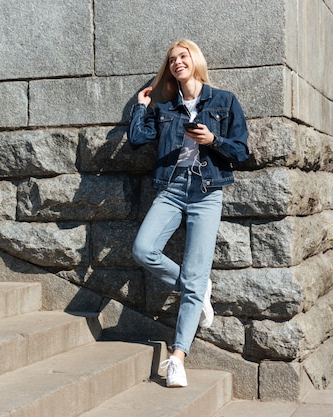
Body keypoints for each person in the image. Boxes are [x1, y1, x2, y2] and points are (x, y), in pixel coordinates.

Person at [128, 39, 249, 387]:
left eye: (183, 56)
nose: (178, 62)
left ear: (195, 61)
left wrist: (212, 140)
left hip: (207, 193)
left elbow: (241, 151)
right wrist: (141, 106)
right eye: (172, 59)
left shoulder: (224, 101)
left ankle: (177, 357)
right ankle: (197, 289)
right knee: (143, 249)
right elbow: (137, 140)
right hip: (172, 187)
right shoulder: (166, 107)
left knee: (195, 276)